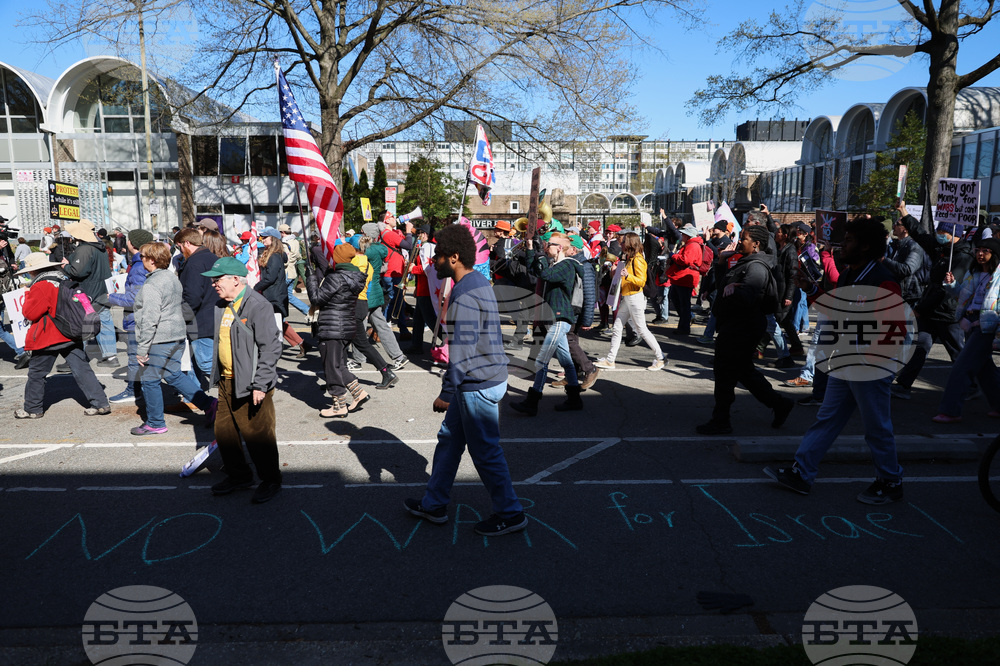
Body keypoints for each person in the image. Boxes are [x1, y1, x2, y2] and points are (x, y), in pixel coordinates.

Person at [764, 217, 905, 505]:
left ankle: (890, 481)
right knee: (827, 419)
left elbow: (895, 328)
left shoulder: (882, 278)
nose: (843, 245)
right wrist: (812, 290)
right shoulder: (851, 274)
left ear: (865, 246)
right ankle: (801, 473)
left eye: (850, 241)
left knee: (877, 426)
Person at [404, 223, 526, 536]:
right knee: (450, 440)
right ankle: (434, 504)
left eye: (439, 255)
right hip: (477, 381)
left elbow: (463, 353)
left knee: (486, 452)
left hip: (477, 384)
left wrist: (446, 392)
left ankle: (510, 513)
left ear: (455, 257)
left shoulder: (467, 294)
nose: (434, 260)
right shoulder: (475, 282)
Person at [696, 225, 794, 435]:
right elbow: (724, 286)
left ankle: (721, 420)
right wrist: (722, 262)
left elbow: (749, 294)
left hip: (743, 326)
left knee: (725, 373)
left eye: (745, 238)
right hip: (736, 325)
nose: (740, 241)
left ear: (756, 244)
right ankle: (779, 404)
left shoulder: (756, 266)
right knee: (742, 372)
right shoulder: (746, 262)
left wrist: (737, 289)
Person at [202, 256, 283, 504]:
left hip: (250, 383)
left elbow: (270, 348)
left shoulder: (258, 305)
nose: (214, 284)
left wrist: (261, 383)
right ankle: (240, 476)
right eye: (213, 280)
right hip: (227, 381)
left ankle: (271, 480)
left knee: (258, 436)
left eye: (218, 280)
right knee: (224, 432)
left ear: (236, 280)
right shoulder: (221, 305)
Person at [131, 242, 218, 435]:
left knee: (150, 380)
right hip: (176, 334)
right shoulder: (171, 277)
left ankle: (155, 422)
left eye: (143, 257)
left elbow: (150, 318)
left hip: (160, 338)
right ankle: (210, 404)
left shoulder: (153, 284)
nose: (141, 260)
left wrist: (142, 348)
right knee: (173, 374)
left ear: (151, 260)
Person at [14, 252, 111, 418]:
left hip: (49, 335)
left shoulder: (41, 285)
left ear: (32, 271)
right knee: (82, 369)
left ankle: (32, 409)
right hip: (71, 331)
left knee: (37, 373)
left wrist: (28, 293)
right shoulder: (63, 278)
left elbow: (30, 313)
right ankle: (100, 403)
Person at [510, 232, 584, 415]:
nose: (545, 247)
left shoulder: (567, 265)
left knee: (541, 360)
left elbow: (545, 274)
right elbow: (535, 272)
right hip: (555, 318)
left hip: (560, 318)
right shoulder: (556, 264)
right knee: (566, 361)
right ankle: (575, 399)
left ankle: (532, 402)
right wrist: (530, 251)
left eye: (548, 244)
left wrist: (539, 255)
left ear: (559, 248)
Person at [931, 237, 1000, 423]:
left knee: (961, 367)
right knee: (985, 369)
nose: (980, 253)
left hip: (986, 326)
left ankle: (950, 410)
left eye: (985, 251)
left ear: (995, 255)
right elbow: (964, 296)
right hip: (970, 323)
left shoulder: (999, 276)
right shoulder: (975, 273)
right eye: (978, 250)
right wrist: (953, 285)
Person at [308, 242, 370, 417]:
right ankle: (358, 393)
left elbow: (317, 298)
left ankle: (338, 405)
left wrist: (312, 278)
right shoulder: (354, 276)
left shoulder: (336, 278)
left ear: (338, 259)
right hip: (346, 325)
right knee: (338, 364)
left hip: (332, 326)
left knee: (331, 367)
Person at [594, 232, 665, 371]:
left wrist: (627, 275)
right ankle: (610, 360)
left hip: (634, 298)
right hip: (628, 297)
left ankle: (661, 358)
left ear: (630, 244)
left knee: (642, 330)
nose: (621, 244)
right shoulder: (630, 258)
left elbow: (641, 281)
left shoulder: (638, 259)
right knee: (617, 327)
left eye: (623, 242)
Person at [61, 219, 118, 368]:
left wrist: (66, 266)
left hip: (88, 292)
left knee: (81, 323)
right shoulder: (100, 247)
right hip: (102, 291)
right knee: (105, 322)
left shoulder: (86, 249)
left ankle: (77, 359)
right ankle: (111, 357)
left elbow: (77, 272)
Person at [107, 229, 153, 404]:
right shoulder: (141, 263)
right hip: (141, 318)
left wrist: (111, 297)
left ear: (132, 244)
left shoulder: (139, 266)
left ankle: (133, 390)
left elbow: (136, 298)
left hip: (138, 319)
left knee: (135, 357)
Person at [174, 228, 221, 379]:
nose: (179, 251)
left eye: (179, 247)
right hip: (213, 317)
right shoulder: (211, 257)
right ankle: (194, 399)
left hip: (201, 323)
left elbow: (192, 297)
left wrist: (179, 318)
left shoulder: (194, 262)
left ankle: (232, 394)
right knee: (192, 365)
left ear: (187, 243)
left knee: (206, 365)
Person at [256, 227, 310, 357]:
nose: (262, 239)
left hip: (274, 295)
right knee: (277, 322)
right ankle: (301, 343)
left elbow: (270, 277)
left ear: (273, 239)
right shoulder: (271, 253)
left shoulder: (275, 256)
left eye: (265, 237)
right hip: (272, 294)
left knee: (274, 323)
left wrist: (255, 287)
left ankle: (271, 351)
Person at [664, 223, 704, 335]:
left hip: (684, 278)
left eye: (684, 234)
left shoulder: (693, 245)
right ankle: (684, 323)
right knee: (679, 301)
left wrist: (673, 256)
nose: (682, 236)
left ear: (689, 236)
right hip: (682, 277)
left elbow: (686, 260)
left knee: (683, 303)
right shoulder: (691, 244)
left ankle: (684, 327)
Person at [279, 223, 310, 317]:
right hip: (293, 272)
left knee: (279, 297)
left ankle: (281, 319)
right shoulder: (295, 241)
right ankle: (308, 311)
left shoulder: (284, 243)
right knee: (289, 297)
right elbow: (299, 256)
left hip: (285, 272)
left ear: (283, 232)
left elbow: (285, 261)